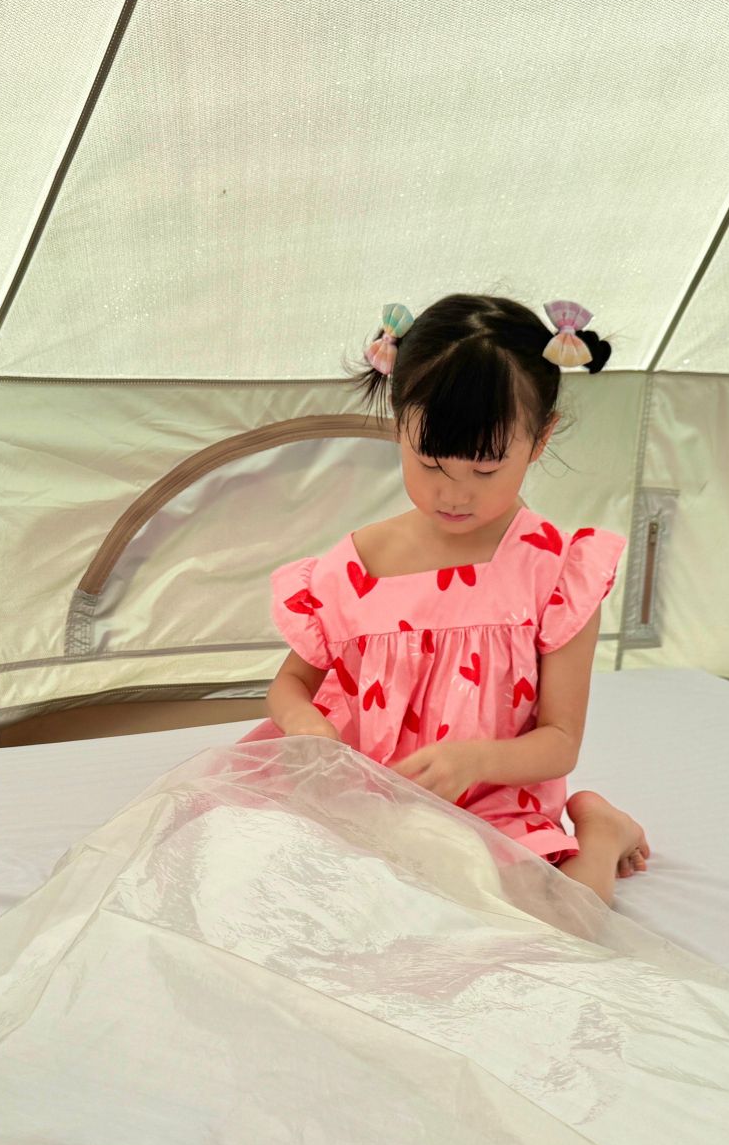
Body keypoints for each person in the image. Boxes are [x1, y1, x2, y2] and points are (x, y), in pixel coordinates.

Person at [238, 293, 650, 904]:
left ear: (540, 439)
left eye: (485, 471)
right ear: (399, 424)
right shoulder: (356, 565)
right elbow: (290, 685)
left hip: (485, 801)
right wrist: (306, 724)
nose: (454, 495)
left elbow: (560, 740)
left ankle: (600, 829)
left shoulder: (555, 572)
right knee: (267, 885)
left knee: (561, 921)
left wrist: (473, 762)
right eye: (429, 462)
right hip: (360, 794)